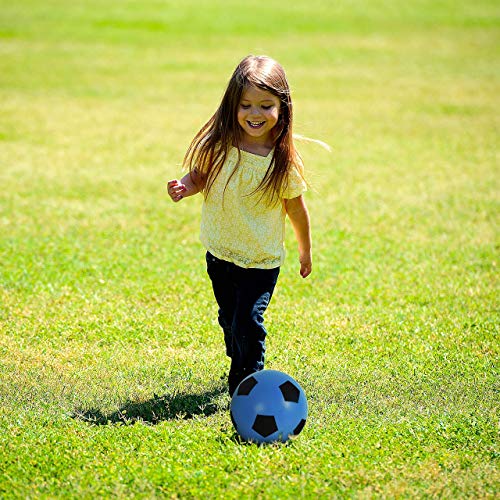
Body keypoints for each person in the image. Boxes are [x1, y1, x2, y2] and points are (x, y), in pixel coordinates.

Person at [167, 55, 312, 395]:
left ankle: (246, 387)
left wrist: (305, 251)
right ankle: (238, 353)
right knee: (230, 320)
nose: (255, 114)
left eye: (266, 105)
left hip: (260, 261)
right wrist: (186, 186)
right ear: (233, 104)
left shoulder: (282, 162)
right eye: (246, 105)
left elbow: (297, 209)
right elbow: (202, 175)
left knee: (248, 323)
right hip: (219, 253)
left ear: (282, 107)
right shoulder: (219, 146)